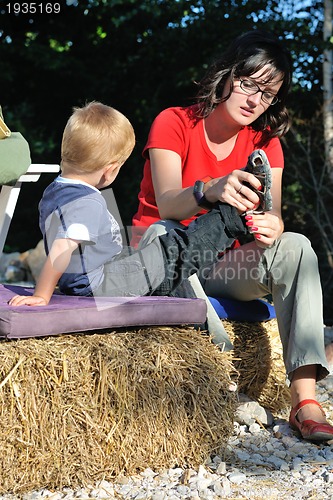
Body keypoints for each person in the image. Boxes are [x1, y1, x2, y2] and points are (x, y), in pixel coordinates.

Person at [131, 30, 333, 441]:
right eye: (248, 84)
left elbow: (273, 215)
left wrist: (271, 226)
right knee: (161, 229)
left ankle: (305, 400)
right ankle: (219, 371)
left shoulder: (265, 142)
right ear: (225, 76)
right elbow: (168, 203)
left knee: (296, 245)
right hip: (165, 257)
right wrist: (211, 188)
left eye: (268, 94)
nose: (254, 99)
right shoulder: (174, 122)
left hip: (224, 266)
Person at [8, 100, 252, 310]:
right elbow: (62, 248)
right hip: (100, 284)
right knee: (177, 252)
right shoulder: (86, 202)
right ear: (111, 170)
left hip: (94, 275)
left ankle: (192, 323)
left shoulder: (55, 190)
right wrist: (42, 294)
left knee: (156, 255)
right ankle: (231, 216)